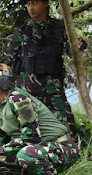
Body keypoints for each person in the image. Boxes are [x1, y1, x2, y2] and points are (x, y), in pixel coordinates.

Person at [0, 63, 79, 175]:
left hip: (61, 147)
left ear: (3, 81)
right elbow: (0, 136)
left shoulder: (19, 100)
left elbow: (32, 138)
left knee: (26, 155)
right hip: (36, 147)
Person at [5, 0, 87, 139]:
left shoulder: (59, 27)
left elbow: (72, 50)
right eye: (28, 4)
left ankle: (72, 152)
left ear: (45, 3)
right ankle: (27, 153)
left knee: (67, 125)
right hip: (27, 89)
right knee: (27, 124)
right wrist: (4, 79)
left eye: (34, 3)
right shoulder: (21, 31)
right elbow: (10, 60)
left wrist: (80, 45)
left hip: (52, 86)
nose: (31, 8)